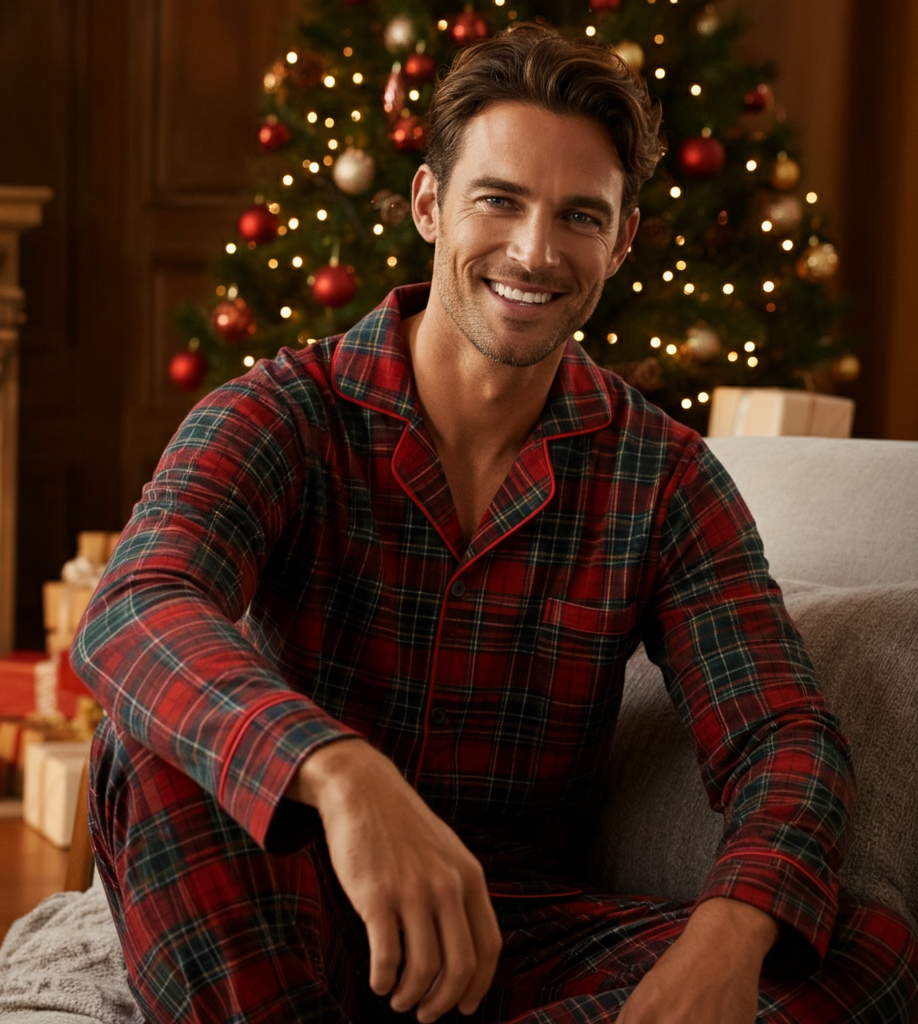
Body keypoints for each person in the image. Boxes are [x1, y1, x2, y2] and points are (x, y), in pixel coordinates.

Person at [72, 24, 918, 1024]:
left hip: (509, 931)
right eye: (499, 200)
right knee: (144, 747)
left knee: (864, 952)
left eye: (579, 216)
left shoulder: (663, 477)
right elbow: (134, 608)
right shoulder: (280, 413)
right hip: (282, 898)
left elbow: (779, 734)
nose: (534, 251)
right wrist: (342, 772)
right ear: (429, 204)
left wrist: (730, 932)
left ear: (621, 240)